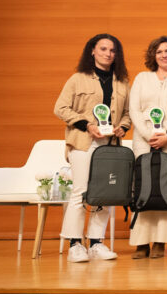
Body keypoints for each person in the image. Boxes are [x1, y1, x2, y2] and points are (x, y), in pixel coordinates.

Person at [54, 34, 131, 263]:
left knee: (106, 192)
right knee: (80, 191)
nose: (108, 53)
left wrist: (123, 127)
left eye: (113, 50)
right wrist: (87, 125)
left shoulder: (122, 82)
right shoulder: (78, 79)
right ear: (93, 51)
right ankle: (75, 244)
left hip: (110, 145)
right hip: (83, 141)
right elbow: (60, 108)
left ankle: (96, 243)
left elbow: (127, 114)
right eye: (103, 49)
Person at [128, 36, 167, 258]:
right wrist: (148, 135)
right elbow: (134, 110)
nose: (164, 55)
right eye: (159, 52)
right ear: (153, 56)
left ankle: (160, 242)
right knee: (143, 186)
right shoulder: (141, 78)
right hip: (143, 140)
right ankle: (141, 242)